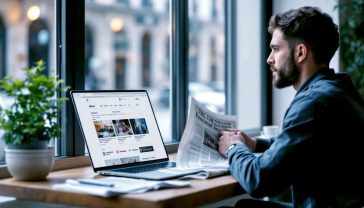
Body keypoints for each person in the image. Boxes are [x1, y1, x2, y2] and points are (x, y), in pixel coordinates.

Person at [218, 6, 364, 208]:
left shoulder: (312, 102)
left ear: (300, 52)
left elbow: (260, 180)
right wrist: (255, 145)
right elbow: (305, 144)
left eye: (276, 49)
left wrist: (233, 147)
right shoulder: (340, 89)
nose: (269, 59)